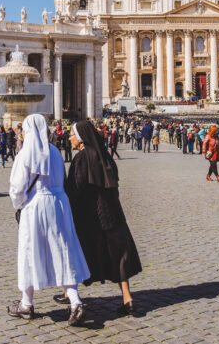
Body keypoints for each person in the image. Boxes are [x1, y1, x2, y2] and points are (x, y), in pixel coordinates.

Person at [7, 114, 90, 324]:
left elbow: (17, 189)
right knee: (62, 251)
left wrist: (19, 205)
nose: (22, 133)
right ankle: (75, 301)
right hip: (59, 205)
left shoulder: (25, 154)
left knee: (29, 251)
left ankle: (26, 304)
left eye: (24, 129)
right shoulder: (54, 152)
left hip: (35, 206)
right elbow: (61, 179)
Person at [64, 120, 142, 316]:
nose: (69, 138)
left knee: (76, 252)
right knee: (119, 256)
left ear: (81, 139)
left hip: (91, 217)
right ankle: (127, 298)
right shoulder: (104, 155)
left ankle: (70, 294)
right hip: (113, 214)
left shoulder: (81, 158)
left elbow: (75, 188)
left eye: (72, 135)